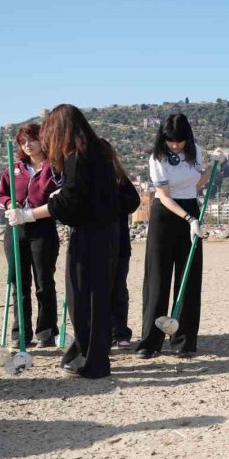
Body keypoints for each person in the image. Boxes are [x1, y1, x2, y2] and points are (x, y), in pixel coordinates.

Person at [7, 104, 119, 379]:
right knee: (93, 297)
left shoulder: (77, 156)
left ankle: (92, 361)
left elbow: (69, 201)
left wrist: (29, 213)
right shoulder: (99, 149)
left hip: (90, 233)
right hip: (106, 232)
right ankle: (86, 354)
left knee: (83, 298)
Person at [136, 114, 208, 359]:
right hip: (165, 215)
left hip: (191, 209)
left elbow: (196, 184)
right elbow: (165, 196)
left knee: (188, 278)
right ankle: (150, 341)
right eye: (171, 141)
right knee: (158, 278)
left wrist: (214, 169)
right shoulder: (157, 157)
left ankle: (184, 341)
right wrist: (189, 220)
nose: (176, 146)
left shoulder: (195, 150)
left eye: (180, 141)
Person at [0, 123, 62, 349]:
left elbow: (59, 199)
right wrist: (8, 205)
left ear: (43, 139)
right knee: (18, 282)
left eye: (31, 139)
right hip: (15, 229)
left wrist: (30, 213)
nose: (28, 145)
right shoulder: (14, 169)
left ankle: (46, 331)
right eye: (23, 142)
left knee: (44, 282)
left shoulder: (55, 169)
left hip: (43, 229)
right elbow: (0, 194)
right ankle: (20, 333)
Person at [102, 139, 140, 350]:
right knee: (100, 290)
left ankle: (121, 332)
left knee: (118, 288)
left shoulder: (120, 180)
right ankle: (103, 333)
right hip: (96, 246)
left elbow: (133, 203)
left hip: (120, 245)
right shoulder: (87, 180)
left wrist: (111, 194)